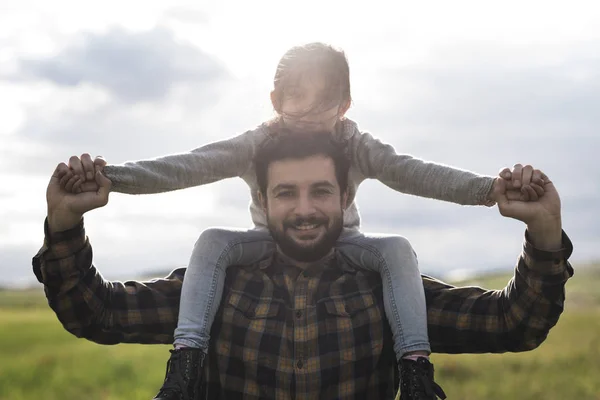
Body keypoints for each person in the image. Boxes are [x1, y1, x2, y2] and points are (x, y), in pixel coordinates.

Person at [36, 132, 572, 399]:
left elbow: (514, 323)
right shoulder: (214, 285)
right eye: (286, 193)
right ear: (263, 203)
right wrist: (64, 224)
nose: (305, 209)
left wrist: (543, 232)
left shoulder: (388, 289)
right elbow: (96, 314)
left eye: (321, 191)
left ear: (345, 197)